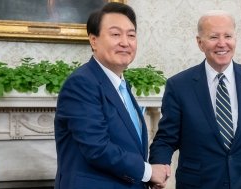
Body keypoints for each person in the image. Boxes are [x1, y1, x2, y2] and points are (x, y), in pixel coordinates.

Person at [149, 10, 241, 189]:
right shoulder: (179, 85)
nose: (222, 44)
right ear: (200, 43)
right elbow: (166, 139)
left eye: (228, 36)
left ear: (235, 39)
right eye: (213, 37)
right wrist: (158, 167)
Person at [54, 2, 169, 189]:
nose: (125, 42)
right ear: (93, 40)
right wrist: (148, 172)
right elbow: (97, 148)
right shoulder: (81, 83)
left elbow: (129, 146)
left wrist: (145, 179)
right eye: (115, 34)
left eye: (131, 35)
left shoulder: (122, 85)